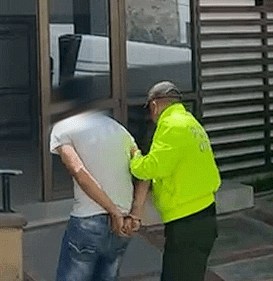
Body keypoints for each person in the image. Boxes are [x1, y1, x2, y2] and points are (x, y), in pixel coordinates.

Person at [50, 78, 149, 281]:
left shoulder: (63, 127)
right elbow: (145, 173)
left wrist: (112, 211)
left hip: (89, 220)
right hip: (123, 223)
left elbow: (78, 171)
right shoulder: (118, 129)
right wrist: (135, 215)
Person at [129, 81, 221, 281]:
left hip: (187, 221)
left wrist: (135, 158)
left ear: (154, 105)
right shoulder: (190, 122)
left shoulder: (171, 126)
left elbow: (154, 167)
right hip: (203, 213)